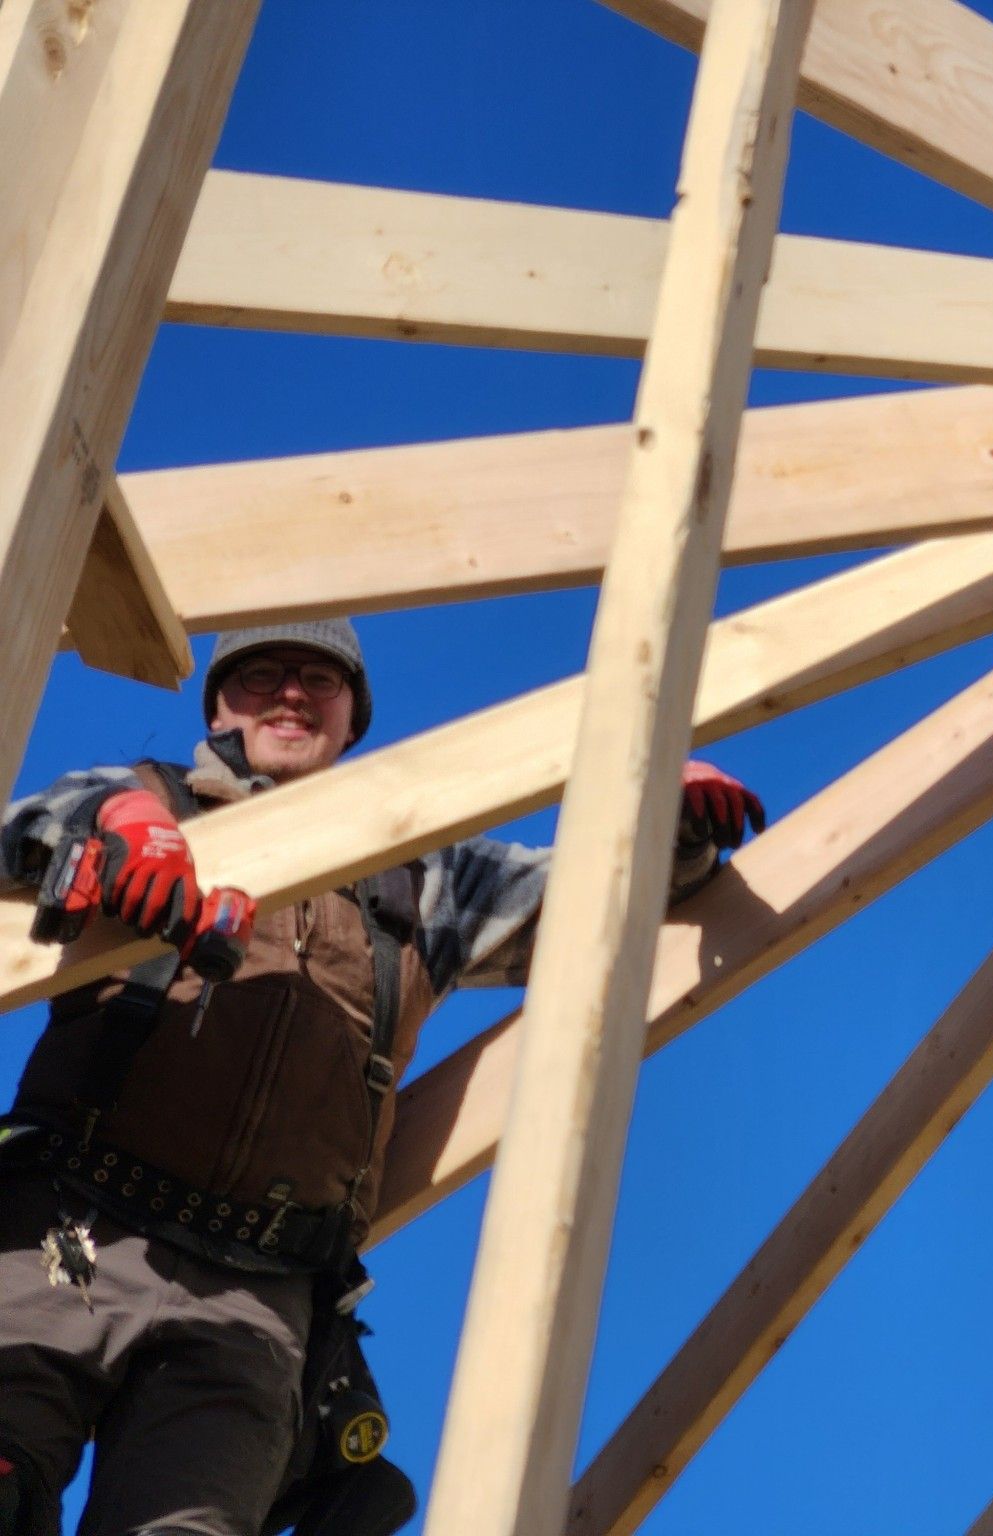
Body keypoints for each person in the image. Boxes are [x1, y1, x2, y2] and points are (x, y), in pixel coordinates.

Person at [0, 620, 765, 1536]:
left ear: (352, 717)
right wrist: (118, 829)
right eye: (262, 674)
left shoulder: (421, 874)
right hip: (67, 1232)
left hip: (259, 1296)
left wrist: (671, 834)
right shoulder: (146, 798)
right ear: (218, 706)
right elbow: (28, 829)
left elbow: (598, 896)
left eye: (318, 679)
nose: (291, 692)